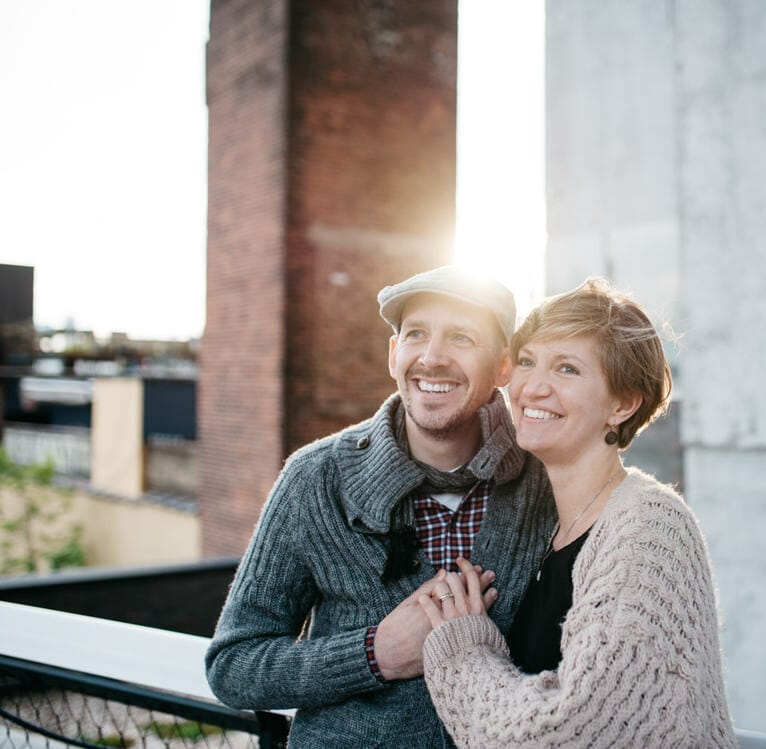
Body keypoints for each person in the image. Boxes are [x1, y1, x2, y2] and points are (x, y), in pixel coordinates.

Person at [205, 266, 556, 747]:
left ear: (503, 366)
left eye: (461, 337)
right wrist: (376, 653)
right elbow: (233, 666)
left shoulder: (545, 479)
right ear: (394, 355)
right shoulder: (315, 479)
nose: (432, 358)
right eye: (416, 334)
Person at [417, 279, 736, 748]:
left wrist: (463, 649)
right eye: (527, 361)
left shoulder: (650, 529)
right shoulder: (545, 525)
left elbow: (570, 732)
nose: (533, 387)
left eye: (566, 368)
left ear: (622, 404)